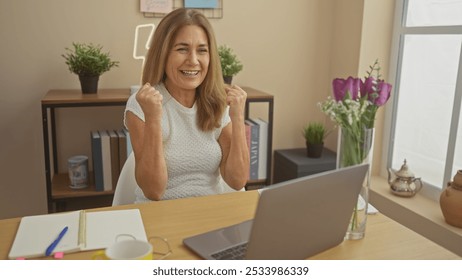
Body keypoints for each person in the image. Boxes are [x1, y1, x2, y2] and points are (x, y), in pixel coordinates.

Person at [124, 8, 250, 202]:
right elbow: (153, 191)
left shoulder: (217, 102)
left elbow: (237, 180)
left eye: (202, 50)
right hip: (160, 214)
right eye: (182, 49)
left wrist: (238, 117)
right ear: (163, 54)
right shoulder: (142, 104)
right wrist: (154, 118)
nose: (193, 61)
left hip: (209, 213)